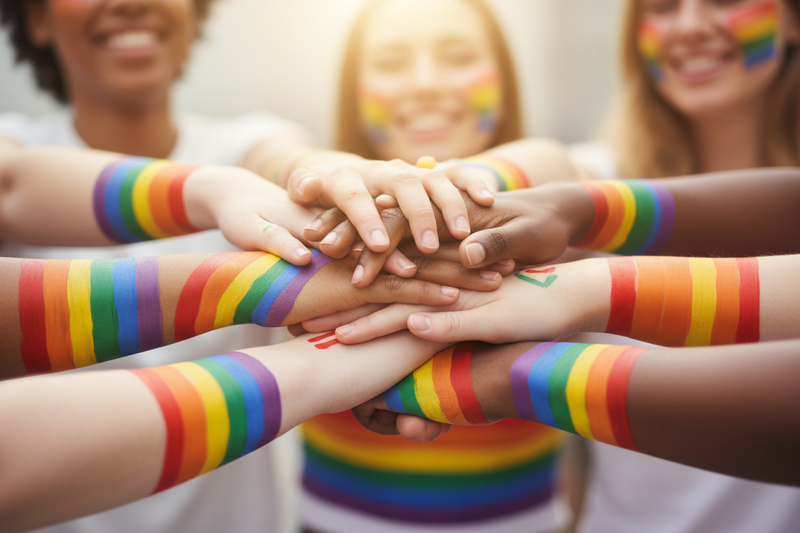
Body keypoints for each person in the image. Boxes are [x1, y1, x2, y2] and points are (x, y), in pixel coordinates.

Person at [296, 1, 578, 532]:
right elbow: (285, 164)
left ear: (503, 78)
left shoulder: (550, 200)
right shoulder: (316, 215)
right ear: (354, 93)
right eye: (392, 62)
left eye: (458, 56)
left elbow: (550, 159)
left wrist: (446, 193)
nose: (425, 83)